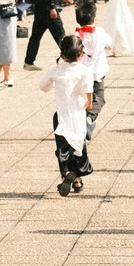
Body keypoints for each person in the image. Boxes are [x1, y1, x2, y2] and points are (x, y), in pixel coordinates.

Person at [40, 34, 93, 197]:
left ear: (62, 55)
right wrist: (88, 105)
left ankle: (66, 175)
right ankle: (77, 179)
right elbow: (88, 94)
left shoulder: (57, 70)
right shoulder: (85, 71)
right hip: (77, 115)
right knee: (78, 146)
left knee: (62, 149)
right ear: (81, 54)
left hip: (61, 117)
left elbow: (43, 86)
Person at [74, 0, 113, 126]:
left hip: (80, 72)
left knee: (81, 96)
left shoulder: (76, 35)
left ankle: (81, 117)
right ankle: (89, 118)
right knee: (99, 97)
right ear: (93, 18)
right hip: (97, 73)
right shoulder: (100, 32)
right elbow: (109, 45)